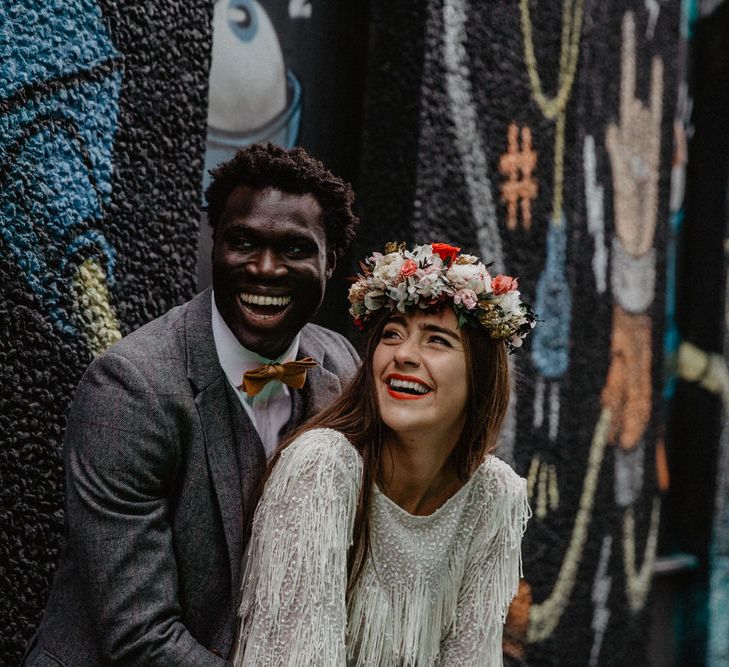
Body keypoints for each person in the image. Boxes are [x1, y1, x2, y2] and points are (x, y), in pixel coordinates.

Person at [23, 144, 360, 666]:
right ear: (214, 247)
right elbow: (140, 637)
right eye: (242, 242)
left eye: (294, 249)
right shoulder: (132, 388)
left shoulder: (340, 363)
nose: (264, 269)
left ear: (330, 262)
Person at [233, 241, 535, 666]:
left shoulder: (494, 494)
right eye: (391, 334)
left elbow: (472, 657)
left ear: (481, 373)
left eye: (436, 339)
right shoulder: (322, 467)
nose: (404, 355)